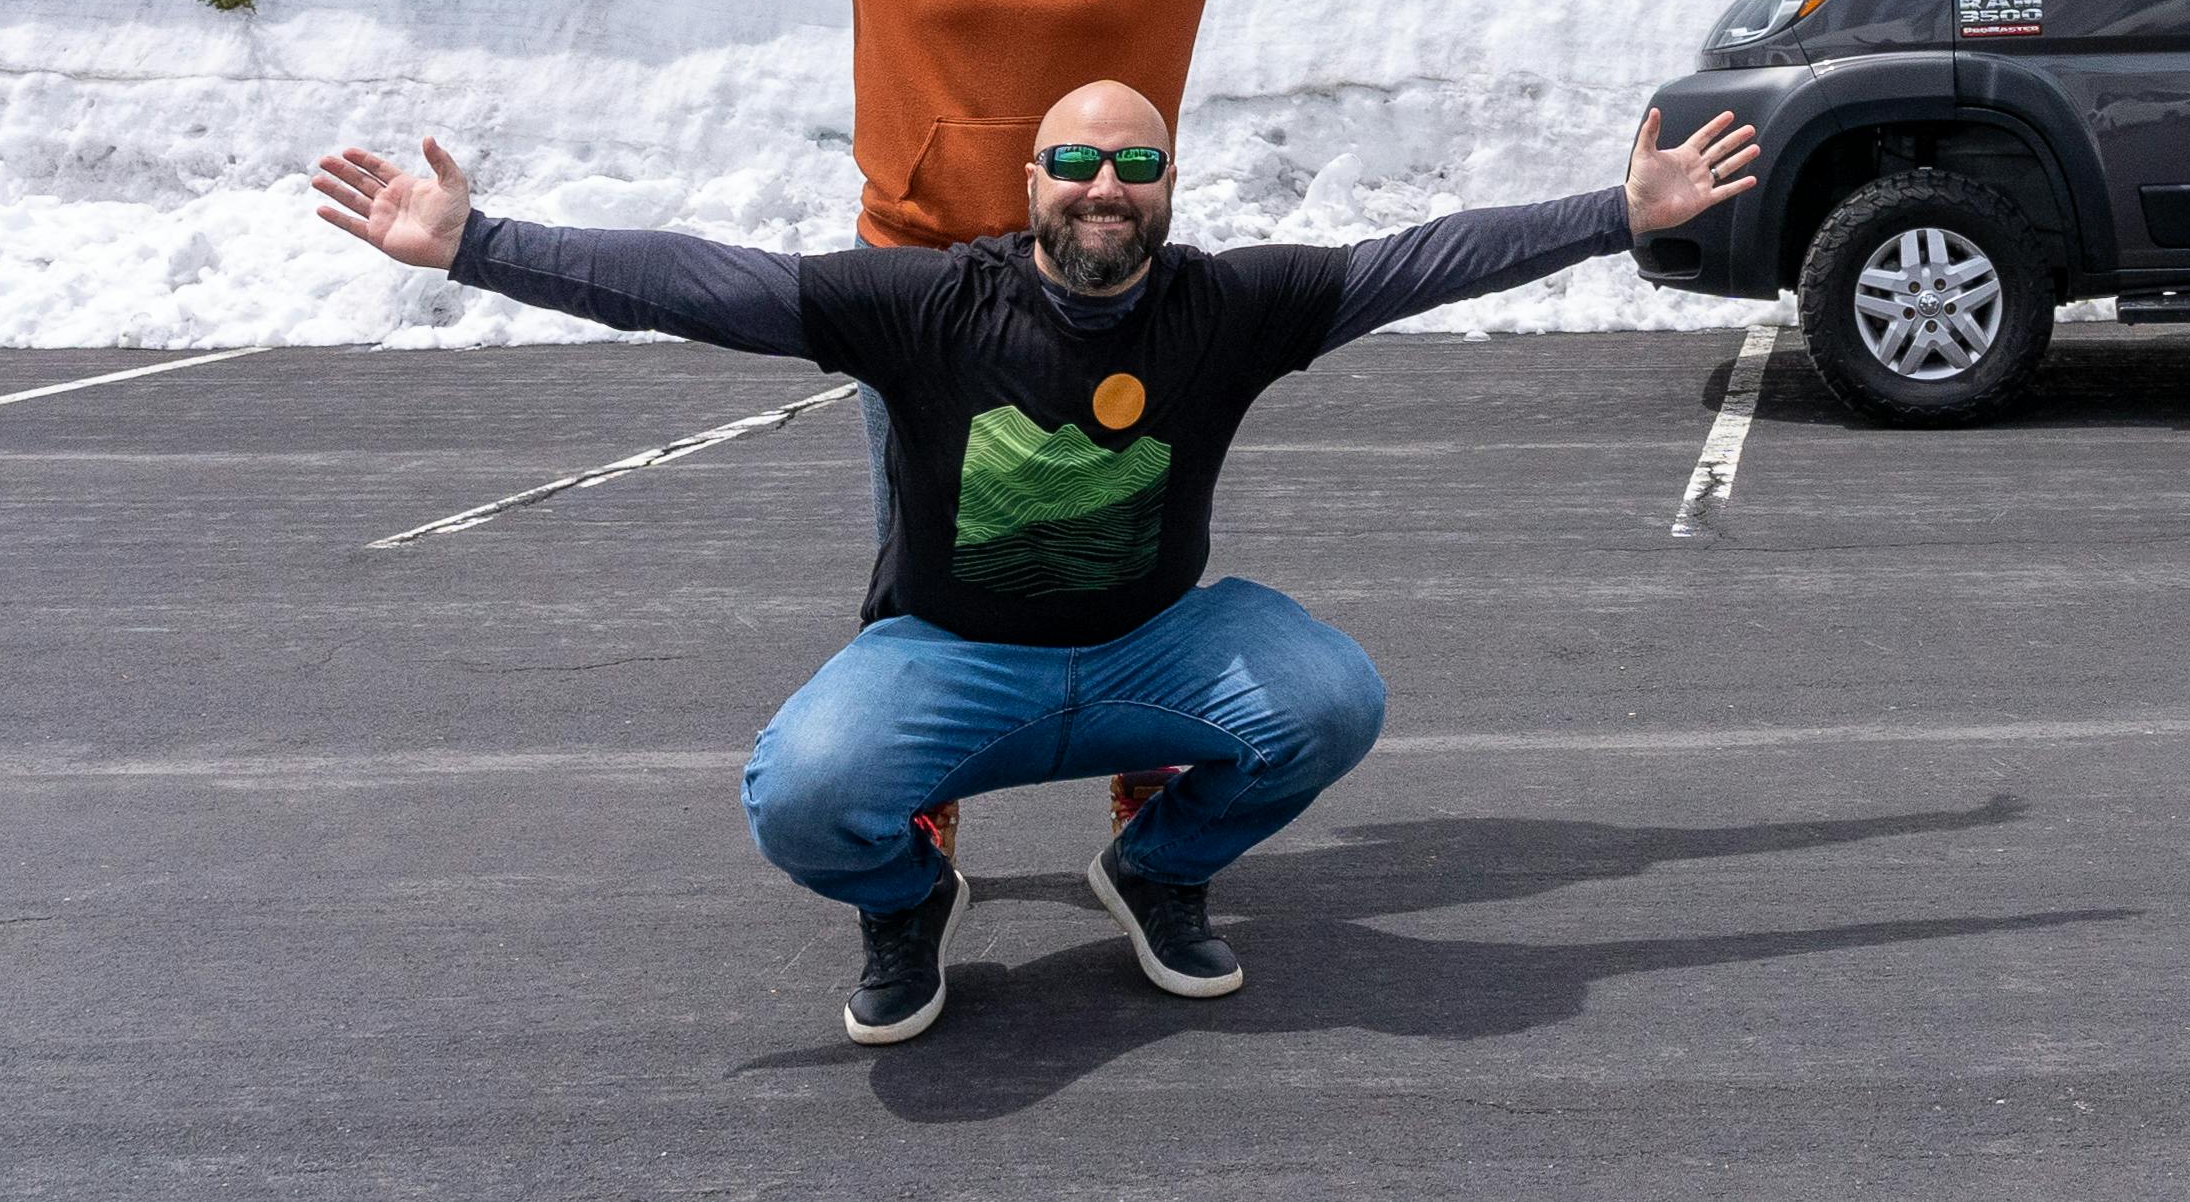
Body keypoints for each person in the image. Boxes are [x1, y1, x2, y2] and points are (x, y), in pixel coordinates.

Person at [311, 81, 1762, 1047]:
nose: (1103, 185)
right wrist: (478, 243)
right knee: (803, 794)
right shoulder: (933, 301)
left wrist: (1612, 213)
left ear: (1169, 182)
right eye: (1075, 161)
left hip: (1150, 647)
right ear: (1032, 181)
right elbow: (700, 280)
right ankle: (908, 897)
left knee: (1330, 695)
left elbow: (1425, 255)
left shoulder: (1234, 303)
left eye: (1135, 161)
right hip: (949, 660)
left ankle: (1157, 858)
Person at [587, 0, 1464, 845]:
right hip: (922, 292)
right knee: (919, 535)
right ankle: (917, 780)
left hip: (1104, 286)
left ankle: (1151, 752)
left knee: (1130, 529)